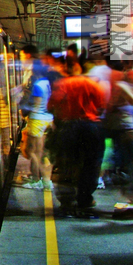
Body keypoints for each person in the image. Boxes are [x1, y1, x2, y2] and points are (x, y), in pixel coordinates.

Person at [48, 75, 106, 212]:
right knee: (91, 164)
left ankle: (67, 200)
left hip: (68, 127)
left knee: (66, 163)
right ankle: (85, 198)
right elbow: (101, 107)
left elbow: (51, 106)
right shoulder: (93, 85)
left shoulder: (62, 84)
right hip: (91, 127)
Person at [21, 61, 53, 190]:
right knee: (42, 151)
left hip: (37, 120)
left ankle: (36, 180)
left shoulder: (37, 85)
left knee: (32, 151)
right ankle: (45, 180)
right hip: (47, 119)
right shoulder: (47, 83)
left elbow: (36, 105)